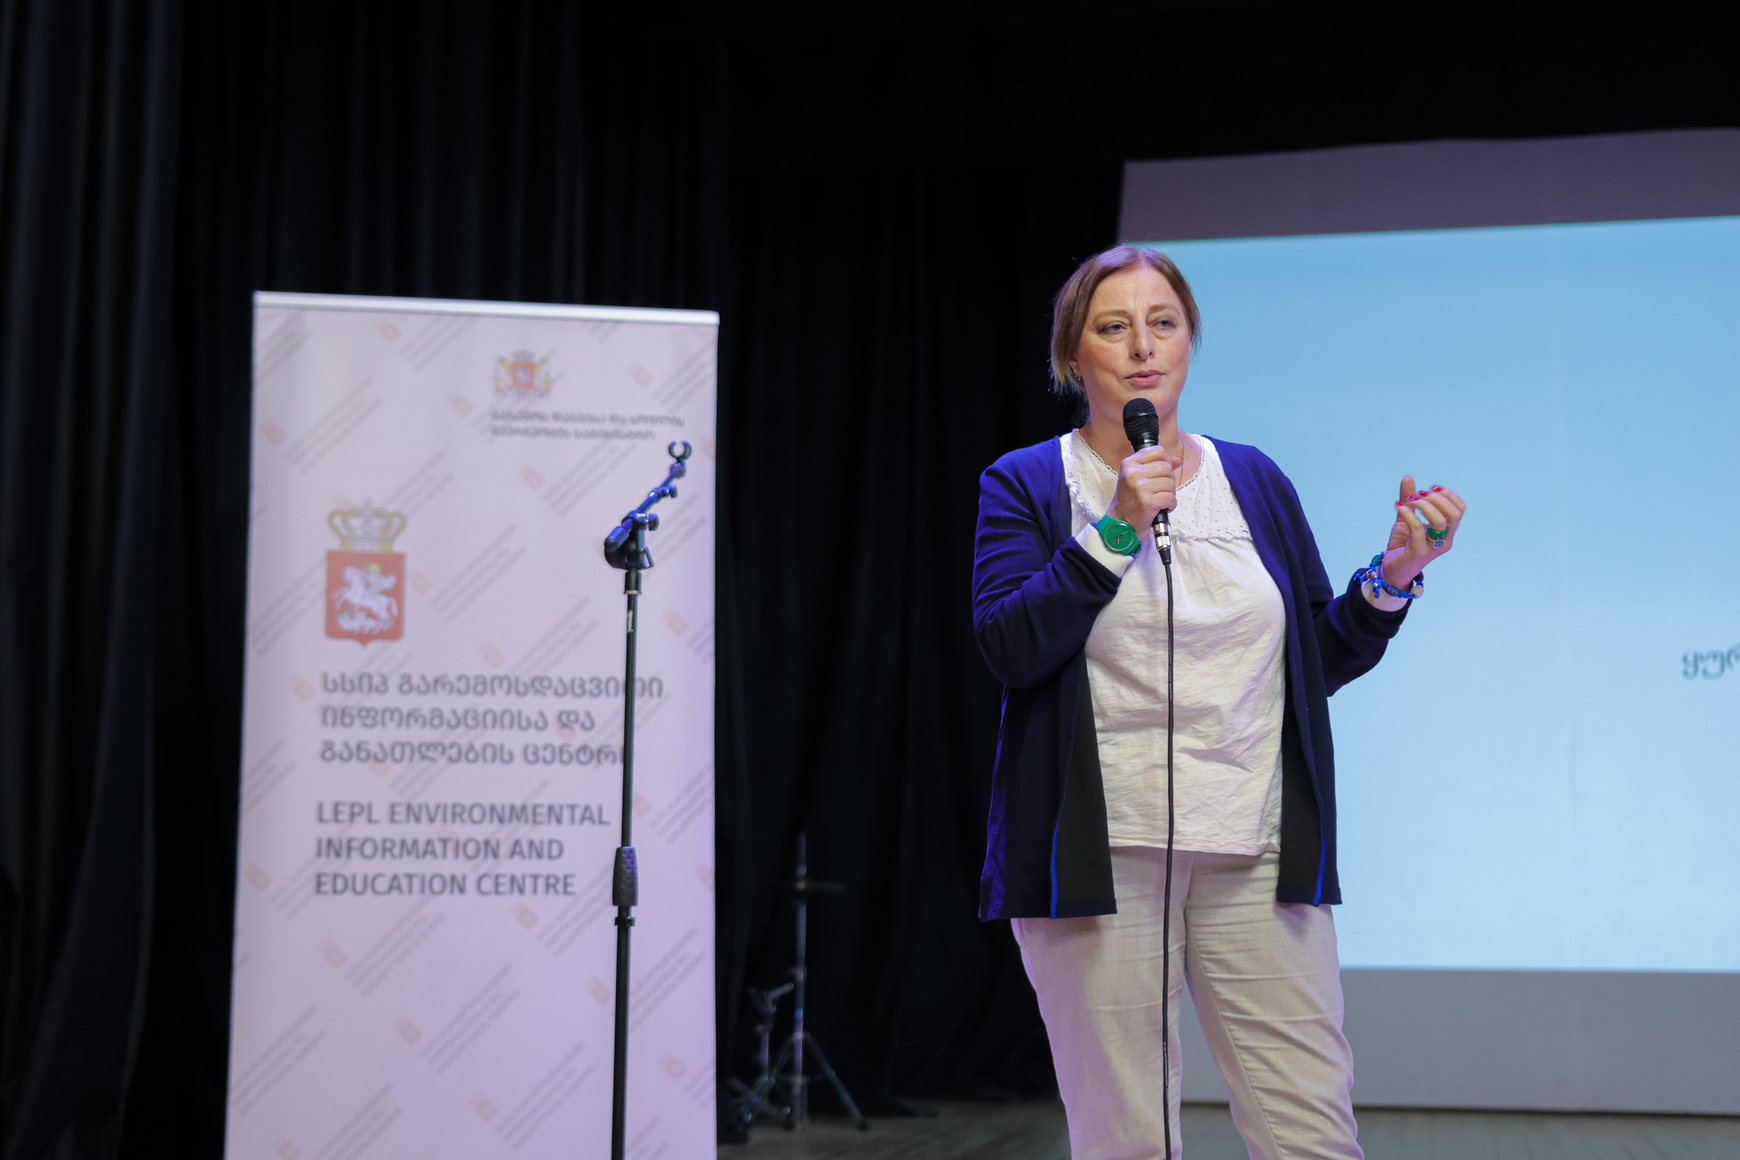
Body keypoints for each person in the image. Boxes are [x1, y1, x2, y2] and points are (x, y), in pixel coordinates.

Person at [972, 244, 1466, 1160]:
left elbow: (1313, 656)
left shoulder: (1255, 480)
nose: (1143, 347)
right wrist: (1116, 527)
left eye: (1163, 323)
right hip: (1100, 858)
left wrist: (1393, 577)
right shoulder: (1027, 482)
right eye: (1114, 327)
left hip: (1255, 845)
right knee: (1127, 1140)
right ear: (1073, 356)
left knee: (1310, 1132)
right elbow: (1011, 644)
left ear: (1188, 342)